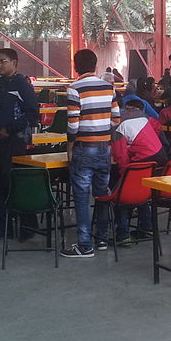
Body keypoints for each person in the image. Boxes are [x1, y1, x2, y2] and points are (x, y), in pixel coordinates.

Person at [61, 49, 119, 257]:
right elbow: (116, 119)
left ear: (76, 66)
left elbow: (73, 124)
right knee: (102, 194)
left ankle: (84, 245)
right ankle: (101, 239)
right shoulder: (109, 88)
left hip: (84, 149)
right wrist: (101, 130)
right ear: (95, 65)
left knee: (82, 197)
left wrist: (70, 145)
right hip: (105, 149)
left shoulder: (74, 89)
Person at [0, 48, 39, 242]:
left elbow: (33, 114)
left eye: (3, 61)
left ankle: (27, 226)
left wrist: (10, 129)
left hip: (13, 142)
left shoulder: (22, 85)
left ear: (14, 63)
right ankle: (3, 227)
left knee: (15, 183)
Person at [111, 96, 168, 245]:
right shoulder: (139, 114)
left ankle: (123, 234)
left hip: (143, 159)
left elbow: (121, 156)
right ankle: (147, 227)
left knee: (122, 194)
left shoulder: (115, 125)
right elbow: (157, 126)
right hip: (160, 156)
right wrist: (146, 141)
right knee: (143, 191)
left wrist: (124, 176)